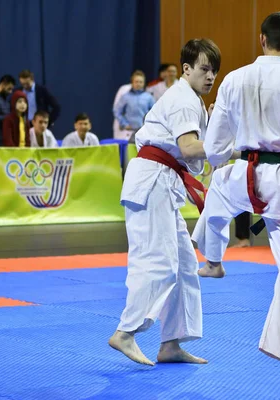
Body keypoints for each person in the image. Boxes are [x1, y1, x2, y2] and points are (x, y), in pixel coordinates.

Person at [191, 12, 280, 398]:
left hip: (242, 175)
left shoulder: (234, 79)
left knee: (216, 193)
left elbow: (216, 148)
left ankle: (212, 259)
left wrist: (225, 162)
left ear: (261, 40)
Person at [109, 38, 223, 367]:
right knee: (157, 261)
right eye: (204, 68)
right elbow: (188, 149)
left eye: (214, 70)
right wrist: (228, 146)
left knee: (185, 265)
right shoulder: (185, 98)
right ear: (186, 69)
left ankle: (170, 344)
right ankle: (125, 331)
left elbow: (190, 153)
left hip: (162, 181)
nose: (210, 75)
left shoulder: (193, 101)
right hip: (153, 180)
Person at [113, 70, 155, 140]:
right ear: (132, 83)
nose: (138, 84)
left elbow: (154, 112)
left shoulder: (149, 97)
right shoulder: (125, 97)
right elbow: (116, 111)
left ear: (144, 83)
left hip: (144, 131)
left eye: (140, 82)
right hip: (128, 132)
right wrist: (124, 123)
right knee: (128, 150)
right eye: (136, 82)